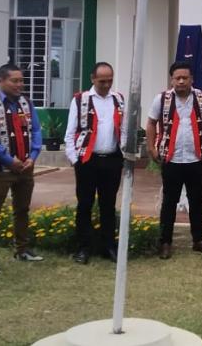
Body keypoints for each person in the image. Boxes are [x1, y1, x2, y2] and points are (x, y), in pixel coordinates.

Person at [146, 61, 202, 259]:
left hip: (196, 158)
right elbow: (151, 123)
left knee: (197, 200)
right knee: (169, 201)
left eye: (184, 78)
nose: (180, 81)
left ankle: (198, 240)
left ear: (191, 79)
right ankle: (165, 242)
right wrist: (151, 148)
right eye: (177, 78)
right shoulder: (161, 99)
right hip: (172, 158)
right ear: (171, 80)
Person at [0, 63, 45, 272]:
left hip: (26, 167)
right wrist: (8, 159)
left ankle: (22, 249)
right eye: (14, 81)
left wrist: (33, 156)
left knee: (22, 210)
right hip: (0, 169)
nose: (19, 85)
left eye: (21, 80)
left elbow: (36, 131)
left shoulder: (27, 103)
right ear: (1, 81)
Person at [65, 62, 125, 265]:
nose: (107, 85)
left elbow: (123, 128)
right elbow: (71, 132)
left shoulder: (118, 99)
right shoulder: (80, 100)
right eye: (102, 81)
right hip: (87, 161)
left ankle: (108, 246)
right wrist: (75, 160)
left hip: (112, 159)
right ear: (93, 79)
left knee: (108, 206)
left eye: (110, 80)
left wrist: (123, 153)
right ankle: (83, 247)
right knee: (85, 205)